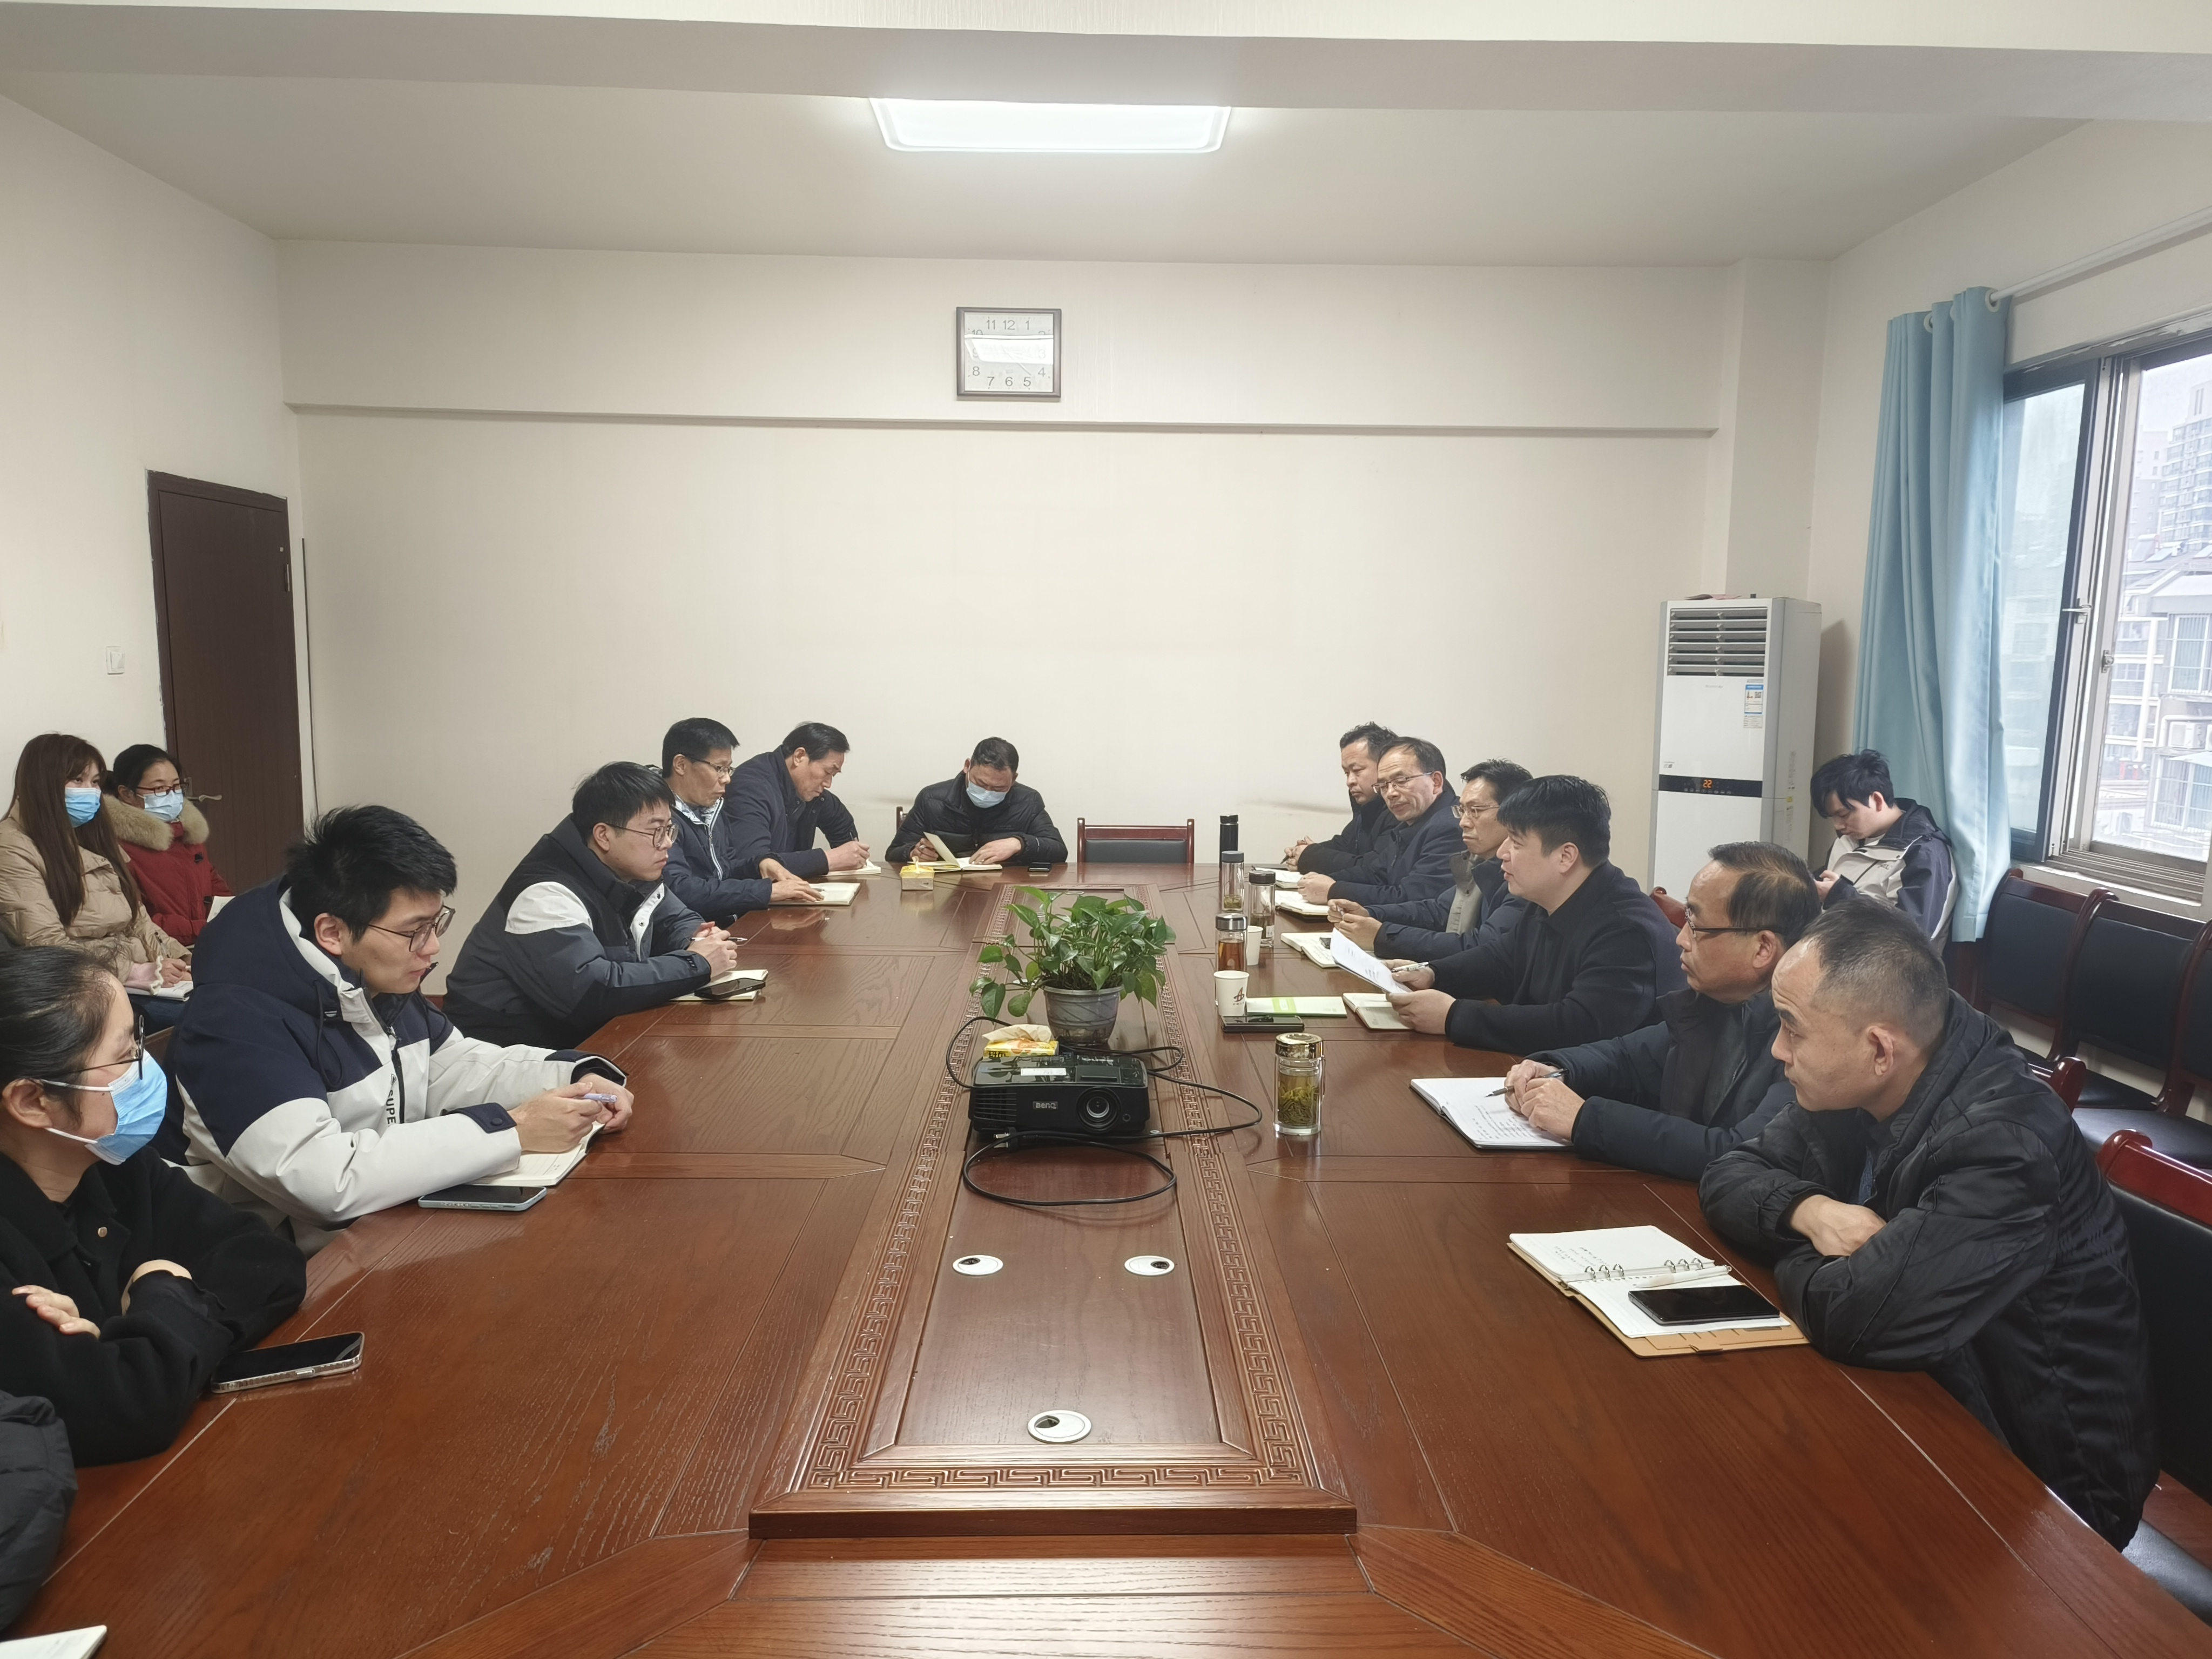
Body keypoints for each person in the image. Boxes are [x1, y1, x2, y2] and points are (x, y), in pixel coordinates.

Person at [1700, 901, 2156, 1548]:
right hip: (1924, 1393)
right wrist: (1812, 1213)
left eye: (1792, 1029)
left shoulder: (2006, 1145)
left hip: (2044, 1484)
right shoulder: (1857, 1081)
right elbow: (1728, 1174)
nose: (1777, 1050)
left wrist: (1793, 1252)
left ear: (1879, 1048)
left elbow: (1860, 1318)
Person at [172, 806, 639, 1250]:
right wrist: (513, 1129)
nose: (432, 948)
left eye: (436, 923)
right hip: (269, 1268)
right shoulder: (235, 1021)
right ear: (332, 932)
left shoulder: (366, 975)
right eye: (414, 930)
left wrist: (573, 1077)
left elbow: (451, 1065)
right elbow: (324, 1180)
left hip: (378, 1229)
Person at [0, 947, 304, 1464]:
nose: (147, 1067)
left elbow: (266, 1260)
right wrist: (166, 1286)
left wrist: (132, 1339)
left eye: (140, 1041)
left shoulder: (111, 1164)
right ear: (32, 1102)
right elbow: (129, 1408)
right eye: (125, 1056)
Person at [1496, 841, 1819, 1178]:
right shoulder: (1716, 1003)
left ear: (1763, 948)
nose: (1681, 939)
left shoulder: (1804, 1037)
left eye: (1697, 926)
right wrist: (1555, 1069)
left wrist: (1582, 1119)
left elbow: (1737, 1152)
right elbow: (1625, 1058)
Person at [446, 765, 737, 1050]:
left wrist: (696, 940)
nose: (667, 844)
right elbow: (592, 992)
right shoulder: (544, 894)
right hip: (508, 1052)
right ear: (604, 836)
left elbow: (678, 919)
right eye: (656, 831)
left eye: (669, 829)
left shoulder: (632, 869)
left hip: (583, 1037)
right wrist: (696, 963)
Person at [1387, 775, 1684, 1051]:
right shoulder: (1550, 897)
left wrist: (1454, 1016)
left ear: (1565, 856)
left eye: (1516, 842)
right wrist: (1433, 973)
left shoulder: (1625, 932)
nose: (1502, 853)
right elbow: (1503, 958)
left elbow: (1578, 1026)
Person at [0, 735, 191, 1030]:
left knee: (224, 996)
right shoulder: (12, 846)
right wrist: (136, 971)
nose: (90, 792)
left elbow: (139, 921)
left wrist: (181, 960)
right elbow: (46, 944)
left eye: (95, 782)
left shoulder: (93, 834)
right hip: (82, 989)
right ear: (43, 782)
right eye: (78, 780)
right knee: (203, 1018)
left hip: (138, 978)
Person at [1327, 759, 1532, 962]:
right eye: (1463, 810)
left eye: (1475, 810)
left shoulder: (1525, 877)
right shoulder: (1479, 860)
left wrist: (1382, 936)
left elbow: (1484, 947)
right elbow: (1438, 910)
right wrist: (1369, 913)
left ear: (1513, 814)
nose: (1463, 822)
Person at [660, 718, 821, 923]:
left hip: (727, 922)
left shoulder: (711, 807)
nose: (727, 779)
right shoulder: (659, 819)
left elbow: (727, 868)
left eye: (728, 769)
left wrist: (761, 863)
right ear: (681, 765)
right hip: (693, 929)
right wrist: (766, 891)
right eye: (719, 768)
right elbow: (681, 890)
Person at [1808, 750, 1958, 939]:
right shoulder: (1851, 838)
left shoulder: (1924, 853)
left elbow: (1911, 938)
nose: (1838, 826)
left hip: (1874, 957)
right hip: (1828, 944)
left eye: (1844, 814)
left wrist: (1841, 897)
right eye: (1833, 817)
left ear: (1877, 800)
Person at [1297, 738, 1458, 908]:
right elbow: (1377, 873)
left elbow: (1411, 899)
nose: (1390, 793)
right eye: (1383, 785)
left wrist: (1334, 890)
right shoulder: (1409, 823)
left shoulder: (1449, 828)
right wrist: (1325, 881)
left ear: (1436, 782)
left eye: (1401, 781)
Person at [103, 744, 232, 946]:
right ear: (127, 794)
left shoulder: (188, 832)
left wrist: (234, 912)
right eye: (160, 788)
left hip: (207, 942)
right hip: (163, 951)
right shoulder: (116, 847)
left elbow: (213, 882)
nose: (172, 795)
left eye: (177, 786)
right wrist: (203, 929)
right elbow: (136, 920)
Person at [724, 723, 869, 885]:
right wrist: (829, 859)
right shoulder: (751, 787)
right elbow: (752, 863)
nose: (828, 784)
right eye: (828, 772)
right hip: (750, 898)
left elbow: (841, 824)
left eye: (833, 775)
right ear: (799, 756)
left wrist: (851, 856)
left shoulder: (809, 792)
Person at [887, 738, 1067, 868]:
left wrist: (1018, 844)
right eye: (980, 784)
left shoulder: (1027, 801)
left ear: (1014, 779)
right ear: (967, 766)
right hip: (945, 892)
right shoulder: (932, 799)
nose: (987, 793)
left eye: (998, 788)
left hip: (1005, 888)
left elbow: (1058, 850)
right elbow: (893, 853)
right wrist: (913, 853)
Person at [1284, 723, 1400, 875]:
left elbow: (1375, 867)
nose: (1349, 781)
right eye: (1347, 773)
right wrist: (1304, 852)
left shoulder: (1400, 809)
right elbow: (1345, 845)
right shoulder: (1367, 806)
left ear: (1386, 766)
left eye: (1357, 771)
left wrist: (1312, 856)